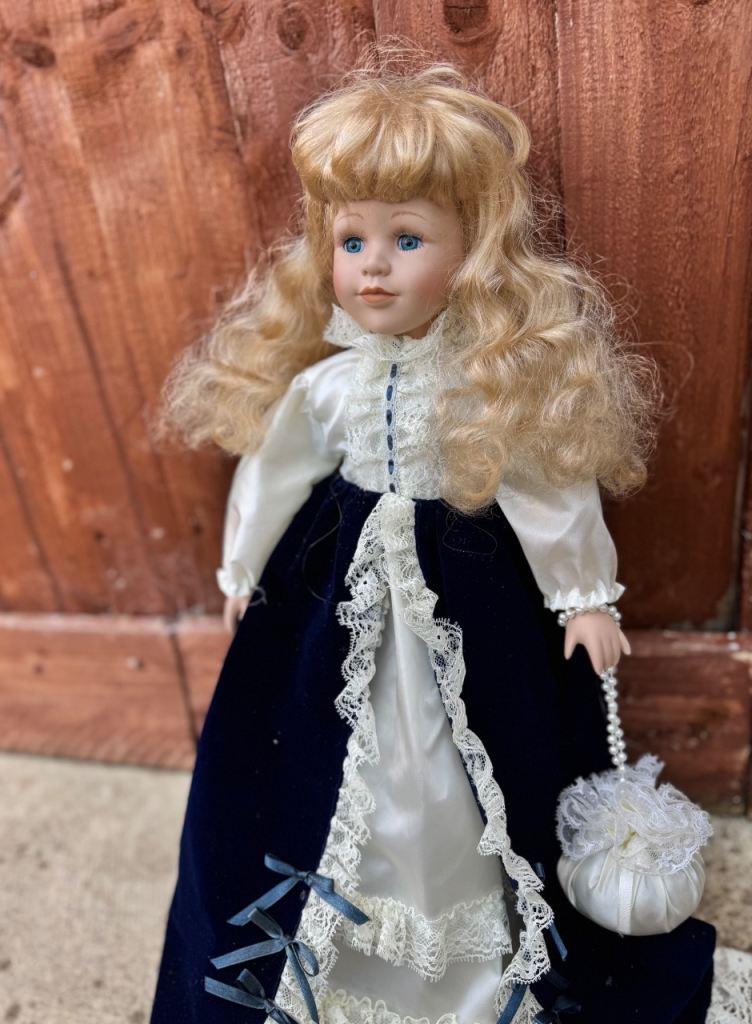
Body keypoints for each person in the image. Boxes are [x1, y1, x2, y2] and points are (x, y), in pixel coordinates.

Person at [150, 50, 720, 1024]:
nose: (373, 266)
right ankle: (338, 953)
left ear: (472, 254)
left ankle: (477, 952)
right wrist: (243, 568)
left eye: (407, 238)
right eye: (353, 240)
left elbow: (548, 488)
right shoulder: (328, 385)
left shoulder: (485, 385)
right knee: (323, 765)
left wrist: (583, 596)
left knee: (471, 766)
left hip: (471, 593)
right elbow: (275, 471)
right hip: (331, 595)